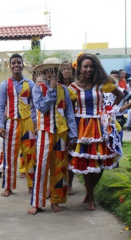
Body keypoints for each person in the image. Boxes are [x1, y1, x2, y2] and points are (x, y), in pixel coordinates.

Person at [68, 53, 124, 211]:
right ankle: (91, 197)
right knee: (86, 162)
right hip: (81, 127)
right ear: (79, 68)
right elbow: (70, 109)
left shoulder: (102, 84)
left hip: (101, 126)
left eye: (92, 66)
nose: (89, 69)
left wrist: (110, 111)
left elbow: (120, 94)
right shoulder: (72, 87)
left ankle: (90, 192)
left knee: (101, 163)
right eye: (85, 66)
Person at [28, 58, 77, 215]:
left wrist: (73, 135)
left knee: (59, 168)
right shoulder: (38, 89)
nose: (53, 73)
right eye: (49, 70)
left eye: (56, 70)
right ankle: (37, 202)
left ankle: (56, 201)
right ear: (44, 72)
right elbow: (41, 107)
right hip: (44, 133)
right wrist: (51, 90)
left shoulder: (64, 90)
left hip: (61, 134)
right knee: (41, 167)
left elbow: (69, 113)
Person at [0, 53, 37, 197]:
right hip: (11, 123)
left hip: (28, 123)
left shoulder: (30, 84)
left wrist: (35, 122)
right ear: (10, 66)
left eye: (18, 62)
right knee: (10, 156)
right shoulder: (4, 85)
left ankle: (32, 185)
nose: (16, 65)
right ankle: (8, 186)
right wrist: (1, 125)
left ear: (22, 65)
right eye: (13, 63)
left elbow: (34, 105)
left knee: (30, 155)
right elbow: (1, 106)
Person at [58, 61, 76, 195]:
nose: (66, 71)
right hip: (59, 123)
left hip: (75, 120)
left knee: (71, 154)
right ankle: (56, 184)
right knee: (58, 155)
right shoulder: (56, 86)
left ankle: (69, 183)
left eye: (68, 69)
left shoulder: (75, 85)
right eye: (63, 69)